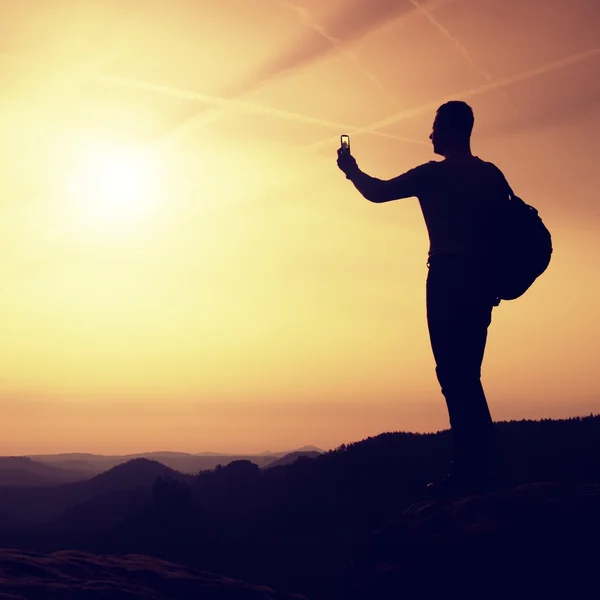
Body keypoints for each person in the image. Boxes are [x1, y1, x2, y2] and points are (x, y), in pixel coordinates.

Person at [337, 101, 508, 493]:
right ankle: (481, 464)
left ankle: (470, 469)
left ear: (450, 130)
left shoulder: (432, 177)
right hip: (481, 284)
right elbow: (505, 232)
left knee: (453, 375)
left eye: (434, 128)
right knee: (467, 374)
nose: (430, 136)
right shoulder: (490, 176)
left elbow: (378, 193)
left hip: (448, 280)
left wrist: (350, 171)